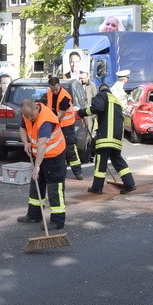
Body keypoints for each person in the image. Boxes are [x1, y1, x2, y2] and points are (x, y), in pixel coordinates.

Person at [17, 98, 68, 230]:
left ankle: (57, 220)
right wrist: (26, 142)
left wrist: (37, 166)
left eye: (31, 115)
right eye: (27, 116)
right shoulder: (27, 114)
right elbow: (22, 129)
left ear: (36, 108)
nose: (29, 118)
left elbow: (42, 144)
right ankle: (34, 215)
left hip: (54, 155)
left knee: (54, 188)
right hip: (38, 154)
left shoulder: (46, 120)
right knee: (36, 184)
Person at [82, 84, 136, 195]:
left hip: (105, 137)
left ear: (100, 90)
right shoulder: (116, 100)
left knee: (100, 162)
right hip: (116, 138)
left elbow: (97, 108)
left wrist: (81, 112)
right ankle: (130, 184)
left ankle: (97, 188)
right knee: (117, 160)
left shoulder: (101, 96)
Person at [46, 76, 84, 180]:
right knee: (57, 148)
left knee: (69, 149)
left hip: (66, 125)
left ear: (59, 86)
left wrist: (51, 123)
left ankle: (78, 172)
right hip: (56, 124)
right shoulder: (49, 92)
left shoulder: (64, 97)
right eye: (52, 90)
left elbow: (61, 115)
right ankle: (61, 172)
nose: (54, 92)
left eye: (56, 90)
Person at [77, 70, 98, 163]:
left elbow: (95, 97)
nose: (83, 80)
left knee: (89, 132)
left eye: (84, 78)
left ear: (88, 77)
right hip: (81, 111)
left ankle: (89, 153)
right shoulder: (78, 85)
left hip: (89, 113)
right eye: (81, 78)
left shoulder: (92, 85)